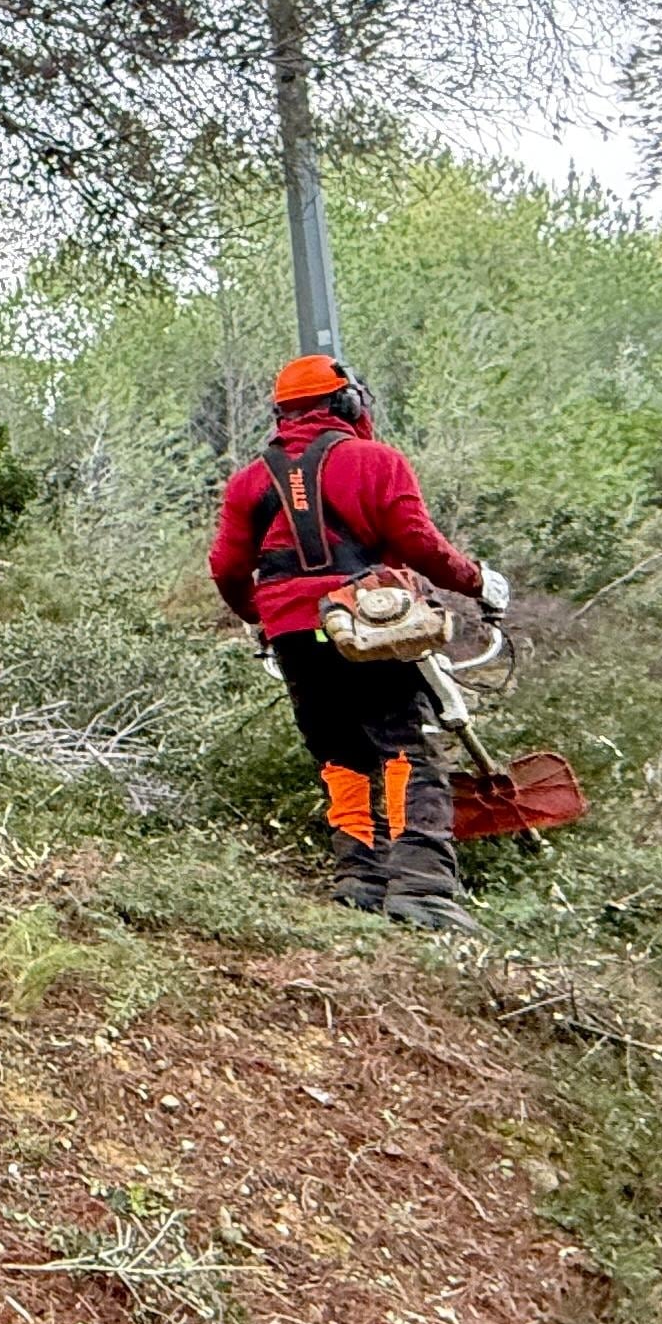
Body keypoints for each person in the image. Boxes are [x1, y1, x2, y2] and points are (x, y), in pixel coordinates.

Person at [208, 354, 513, 932]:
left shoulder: (249, 481)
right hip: (371, 625)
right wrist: (477, 580)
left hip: (296, 633)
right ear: (347, 404)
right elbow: (419, 544)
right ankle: (422, 889)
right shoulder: (376, 462)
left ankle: (360, 877)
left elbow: (226, 566)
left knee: (340, 754)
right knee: (405, 750)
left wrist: (265, 616)